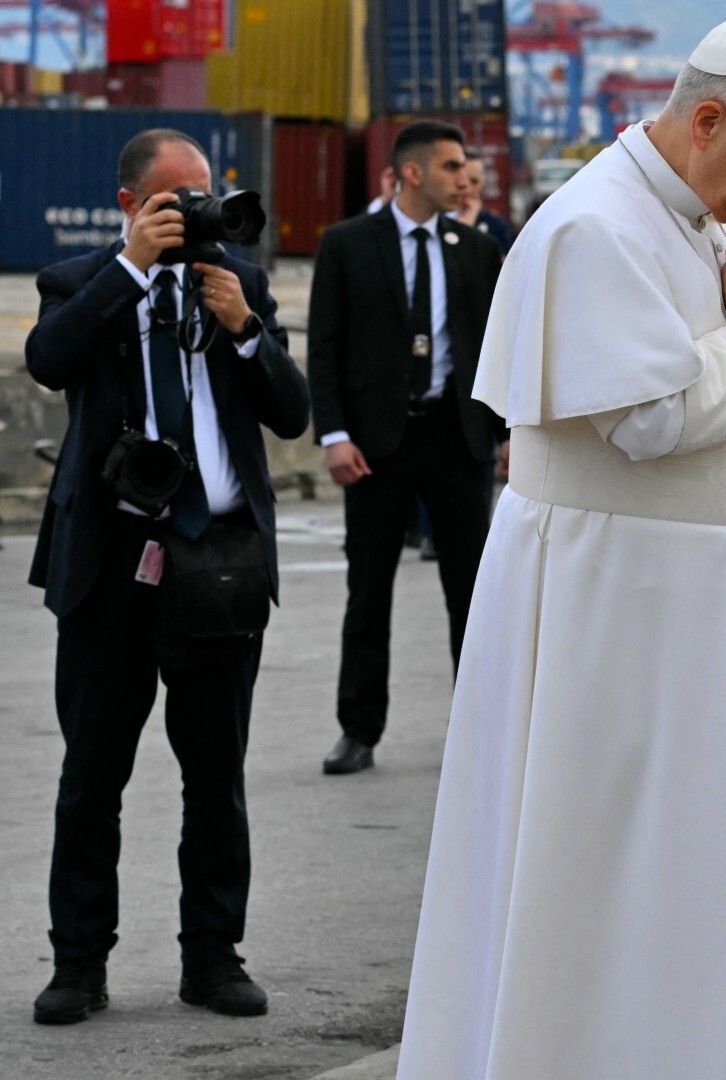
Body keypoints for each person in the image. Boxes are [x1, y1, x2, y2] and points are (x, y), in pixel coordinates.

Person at [393, 16, 726, 1079]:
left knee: (686, 880)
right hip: (611, 610)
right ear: (709, 120)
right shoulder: (596, 226)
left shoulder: (691, 218)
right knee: (594, 883)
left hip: (679, 611)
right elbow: (649, 419)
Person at [24, 128, 310, 1023]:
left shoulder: (240, 283)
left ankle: (213, 957)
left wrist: (245, 328)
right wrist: (131, 271)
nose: (195, 211)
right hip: (111, 569)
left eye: (203, 193)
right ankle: (78, 964)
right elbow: (47, 360)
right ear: (128, 206)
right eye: (173, 198)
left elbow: (293, 414)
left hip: (218, 567)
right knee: (91, 779)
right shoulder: (80, 280)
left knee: (215, 780)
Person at [307, 120, 505, 776]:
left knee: (470, 592)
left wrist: (504, 436)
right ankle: (358, 730)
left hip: (456, 440)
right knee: (368, 592)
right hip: (376, 445)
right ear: (412, 173)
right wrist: (333, 435)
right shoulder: (346, 245)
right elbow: (325, 346)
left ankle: (481, 728)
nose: (464, 179)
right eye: (451, 168)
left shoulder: (476, 250)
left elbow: (498, 349)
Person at [452, 156, 514, 256]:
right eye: (463, 180)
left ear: (482, 184)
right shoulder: (435, 221)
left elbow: (504, 267)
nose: (468, 189)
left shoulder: (495, 225)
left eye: (474, 181)